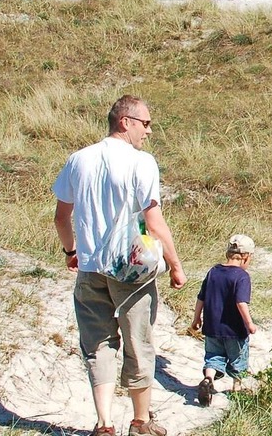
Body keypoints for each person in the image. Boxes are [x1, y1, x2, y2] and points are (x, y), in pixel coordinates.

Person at [54, 95, 186, 436]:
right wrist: (175, 264)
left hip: (90, 267)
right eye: (146, 123)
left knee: (97, 344)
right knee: (138, 341)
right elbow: (153, 222)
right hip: (130, 267)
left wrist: (71, 250)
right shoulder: (141, 162)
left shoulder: (78, 160)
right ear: (125, 121)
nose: (149, 131)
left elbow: (61, 216)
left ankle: (104, 423)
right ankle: (140, 421)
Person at [190, 234, 258, 407]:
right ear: (246, 257)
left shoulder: (213, 271)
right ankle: (237, 389)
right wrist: (249, 323)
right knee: (238, 360)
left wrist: (196, 318)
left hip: (212, 326)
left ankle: (208, 378)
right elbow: (240, 302)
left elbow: (201, 297)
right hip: (234, 329)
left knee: (213, 357)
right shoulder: (242, 276)